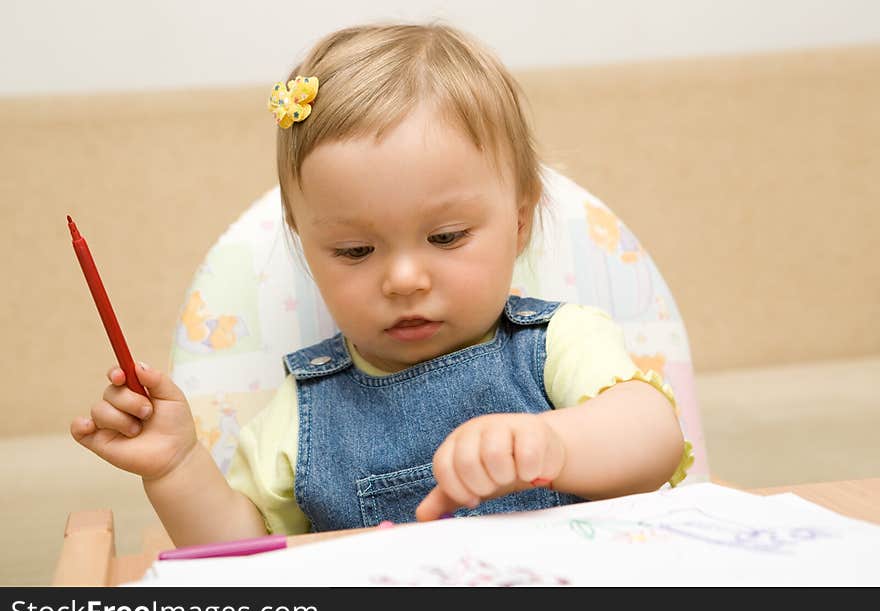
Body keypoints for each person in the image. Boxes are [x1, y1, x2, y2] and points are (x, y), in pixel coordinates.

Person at [70, 23, 692, 547]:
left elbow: (654, 437)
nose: (402, 279)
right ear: (308, 250)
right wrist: (177, 468)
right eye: (355, 251)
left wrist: (552, 443)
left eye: (446, 238)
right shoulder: (303, 412)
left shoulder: (558, 344)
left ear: (520, 222)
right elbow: (245, 556)